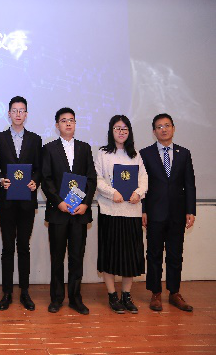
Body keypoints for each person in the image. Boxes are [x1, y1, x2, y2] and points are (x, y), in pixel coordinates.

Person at [41, 107, 97, 315]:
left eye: (71, 120)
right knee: (57, 258)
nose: (68, 123)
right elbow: (46, 179)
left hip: (79, 213)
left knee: (76, 258)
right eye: (63, 120)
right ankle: (56, 299)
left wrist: (86, 204)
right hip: (59, 212)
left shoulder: (85, 148)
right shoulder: (49, 149)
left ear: (75, 124)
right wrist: (58, 202)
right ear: (57, 125)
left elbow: (91, 178)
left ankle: (75, 298)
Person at [140, 113, 196, 312]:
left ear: (173, 128)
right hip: (154, 213)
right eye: (159, 127)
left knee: (175, 254)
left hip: (177, 213)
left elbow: (189, 184)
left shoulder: (184, 153)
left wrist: (190, 210)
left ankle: (174, 292)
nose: (163, 129)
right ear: (154, 131)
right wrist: (143, 210)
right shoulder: (145, 154)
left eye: (167, 125)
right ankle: (155, 293)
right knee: (154, 254)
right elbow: (142, 185)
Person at [94, 115, 147, 314]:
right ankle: (112, 295)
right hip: (110, 211)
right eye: (117, 128)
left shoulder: (136, 155)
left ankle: (126, 295)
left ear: (129, 132)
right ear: (111, 131)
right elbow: (97, 178)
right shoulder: (103, 153)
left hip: (131, 212)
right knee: (110, 254)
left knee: (130, 256)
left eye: (125, 128)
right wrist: (112, 192)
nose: (121, 132)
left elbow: (144, 178)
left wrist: (138, 193)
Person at [0, 96, 42, 311]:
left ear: (26, 114)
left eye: (22, 111)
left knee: (23, 246)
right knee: (7, 247)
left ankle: (24, 292)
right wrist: (0, 179)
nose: (18, 114)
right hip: (6, 201)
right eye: (15, 110)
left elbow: (39, 169)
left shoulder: (35, 139)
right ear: (9, 114)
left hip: (26, 202)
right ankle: (6, 293)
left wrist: (35, 181)